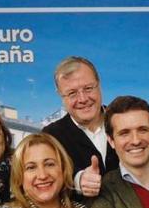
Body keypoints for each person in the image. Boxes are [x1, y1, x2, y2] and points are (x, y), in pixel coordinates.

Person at [42, 56, 119, 198]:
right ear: (60, 96)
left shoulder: (122, 120)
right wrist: (78, 180)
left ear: (99, 84)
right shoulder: (50, 137)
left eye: (88, 88)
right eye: (72, 93)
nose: (83, 99)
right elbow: (43, 180)